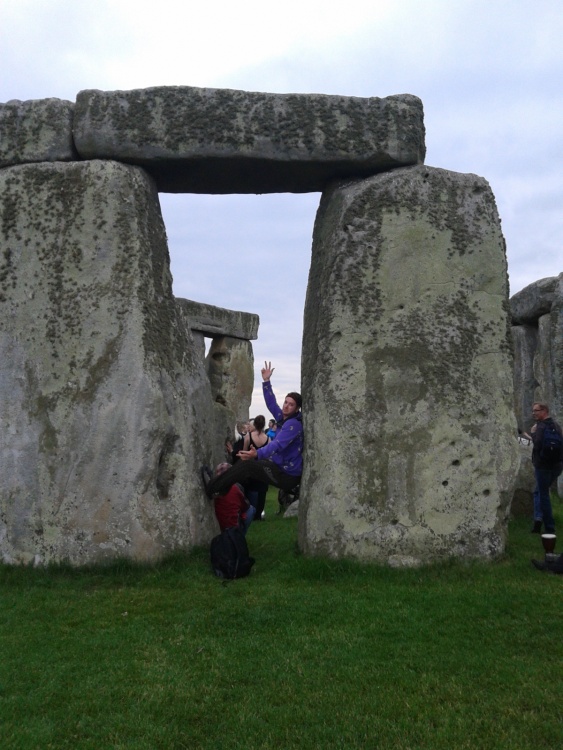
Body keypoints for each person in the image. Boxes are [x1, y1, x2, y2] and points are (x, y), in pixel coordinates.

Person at [201, 361, 303, 499]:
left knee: (247, 466)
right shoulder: (282, 418)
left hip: (287, 476)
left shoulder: (293, 425)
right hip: (279, 468)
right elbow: (271, 403)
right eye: (285, 402)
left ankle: (213, 489)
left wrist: (257, 454)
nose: (286, 406)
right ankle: (220, 487)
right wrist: (266, 381)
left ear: (297, 409)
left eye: (291, 405)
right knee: (244, 464)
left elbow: (277, 444)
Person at [529, 402, 563, 534]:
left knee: (543, 494)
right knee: (539, 491)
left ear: (544, 411)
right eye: (533, 411)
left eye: (536, 411)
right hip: (557, 466)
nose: (534, 413)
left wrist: (532, 434)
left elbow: (537, 446)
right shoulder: (557, 426)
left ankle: (548, 526)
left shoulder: (540, 427)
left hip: (542, 466)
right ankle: (538, 517)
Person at [212, 463, 255, 535]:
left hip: (220, 521)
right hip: (232, 524)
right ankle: (241, 536)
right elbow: (245, 506)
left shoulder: (213, 487)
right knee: (251, 509)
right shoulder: (236, 487)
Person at [243, 415, 270, 521]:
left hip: (251, 467)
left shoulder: (248, 436)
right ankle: (258, 514)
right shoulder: (268, 439)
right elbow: (268, 455)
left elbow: (244, 452)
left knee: (251, 490)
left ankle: (252, 512)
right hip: (262, 467)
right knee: (262, 491)